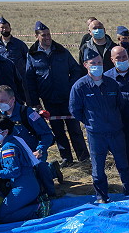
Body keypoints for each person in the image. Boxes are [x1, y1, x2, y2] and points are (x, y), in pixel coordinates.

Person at [69, 48, 129, 202]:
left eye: (99, 62)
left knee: (123, 165)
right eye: (93, 63)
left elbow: (120, 104)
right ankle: (101, 196)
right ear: (86, 65)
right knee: (98, 168)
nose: (97, 65)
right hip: (96, 135)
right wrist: (90, 122)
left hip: (116, 132)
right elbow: (75, 110)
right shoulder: (80, 87)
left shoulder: (111, 84)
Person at [23, 21, 89, 166]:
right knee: (58, 131)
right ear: (36, 36)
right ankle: (67, 158)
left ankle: (84, 157)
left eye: (48, 34)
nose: (47, 37)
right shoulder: (32, 55)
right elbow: (30, 80)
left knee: (74, 129)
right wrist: (35, 102)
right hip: (49, 100)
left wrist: (72, 88)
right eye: (43, 35)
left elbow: (76, 70)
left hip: (67, 98)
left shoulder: (61, 51)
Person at [0, 85, 55, 164]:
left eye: (3, 101)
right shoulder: (0, 118)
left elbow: (47, 134)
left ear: (12, 99)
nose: (0, 104)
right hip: (15, 155)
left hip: (34, 153)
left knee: (39, 173)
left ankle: (51, 170)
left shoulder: (27, 113)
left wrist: (40, 149)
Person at [106, 45, 129, 154]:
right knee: (125, 152)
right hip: (120, 122)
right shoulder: (107, 78)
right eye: (118, 58)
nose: (122, 60)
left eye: (124, 57)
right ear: (112, 60)